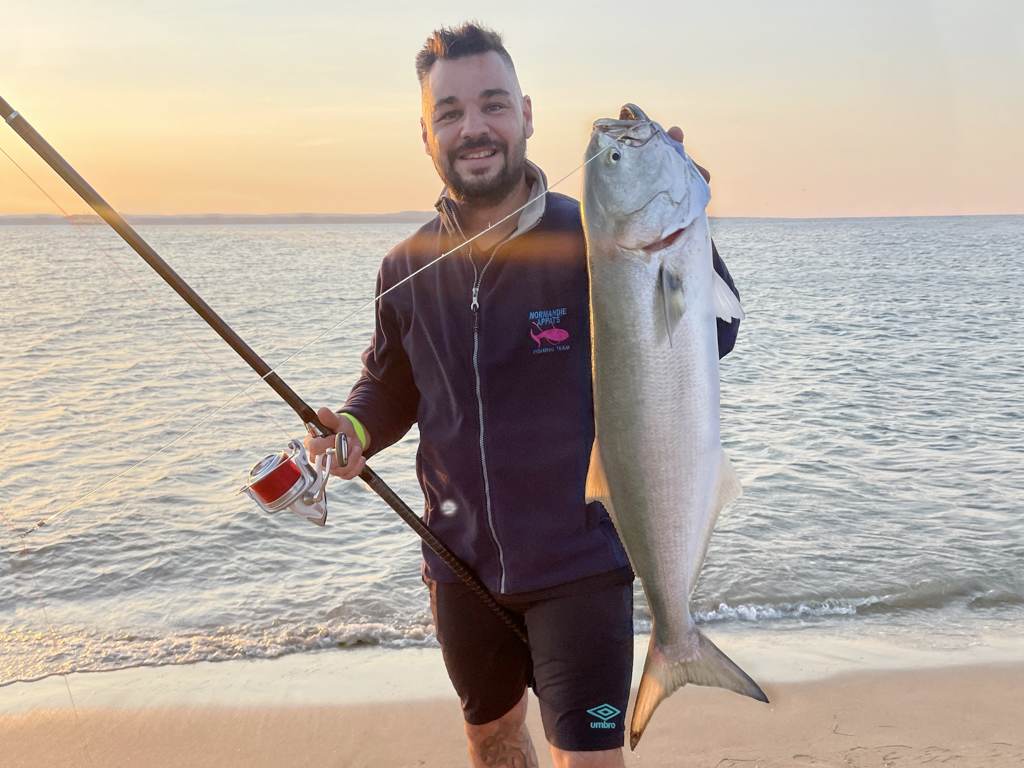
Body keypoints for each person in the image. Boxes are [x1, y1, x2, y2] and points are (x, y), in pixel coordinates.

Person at [306, 23, 740, 768]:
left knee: (588, 761)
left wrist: (684, 218)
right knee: (493, 740)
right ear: (425, 133)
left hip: (578, 563)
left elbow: (713, 335)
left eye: (493, 104)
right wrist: (350, 428)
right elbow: (389, 381)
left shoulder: (599, 236)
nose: (473, 127)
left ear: (527, 114)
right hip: (458, 566)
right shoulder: (404, 264)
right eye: (450, 112)